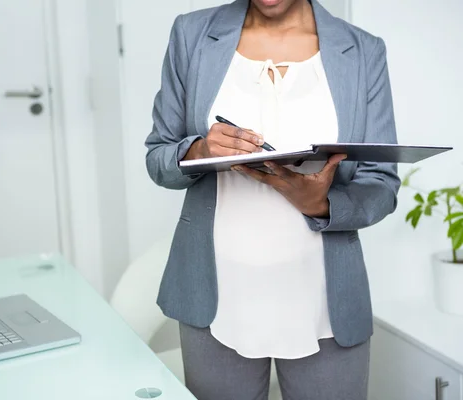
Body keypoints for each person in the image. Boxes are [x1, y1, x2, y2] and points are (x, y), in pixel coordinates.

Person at [144, 0, 400, 399]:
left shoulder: (363, 50)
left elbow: (380, 182)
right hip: (215, 299)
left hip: (325, 303)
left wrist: (321, 204)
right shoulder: (191, 35)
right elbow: (158, 158)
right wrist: (198, 152)